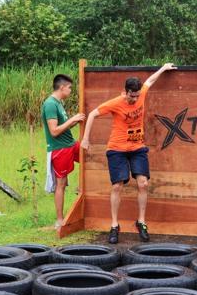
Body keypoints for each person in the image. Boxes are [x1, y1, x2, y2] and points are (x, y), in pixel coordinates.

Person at [81, 63, 177, 244]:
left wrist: (164, 68)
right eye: (132, 97)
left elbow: (150, 80)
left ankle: (141, 222)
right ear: (125, 92)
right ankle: (115, 225)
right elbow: (93, 114)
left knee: (143, 184)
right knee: (117, 186)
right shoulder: (116, 103)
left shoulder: (141, 94)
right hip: (117, 149)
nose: (135, 100)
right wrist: (86, 139)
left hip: (137, 148)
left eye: (137, 96)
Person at [41, 74, 85, 232]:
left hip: (70, 144)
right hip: (59, 149)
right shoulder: (50, 104)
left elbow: (63, 127)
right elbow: (53, 131)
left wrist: (75, 123)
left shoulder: (59, 103)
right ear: (62, 87)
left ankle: (83, 195)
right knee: (61, 183)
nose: (71, 90)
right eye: (70, 88)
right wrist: (73, 120)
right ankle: (60, 220)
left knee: (89, 159)